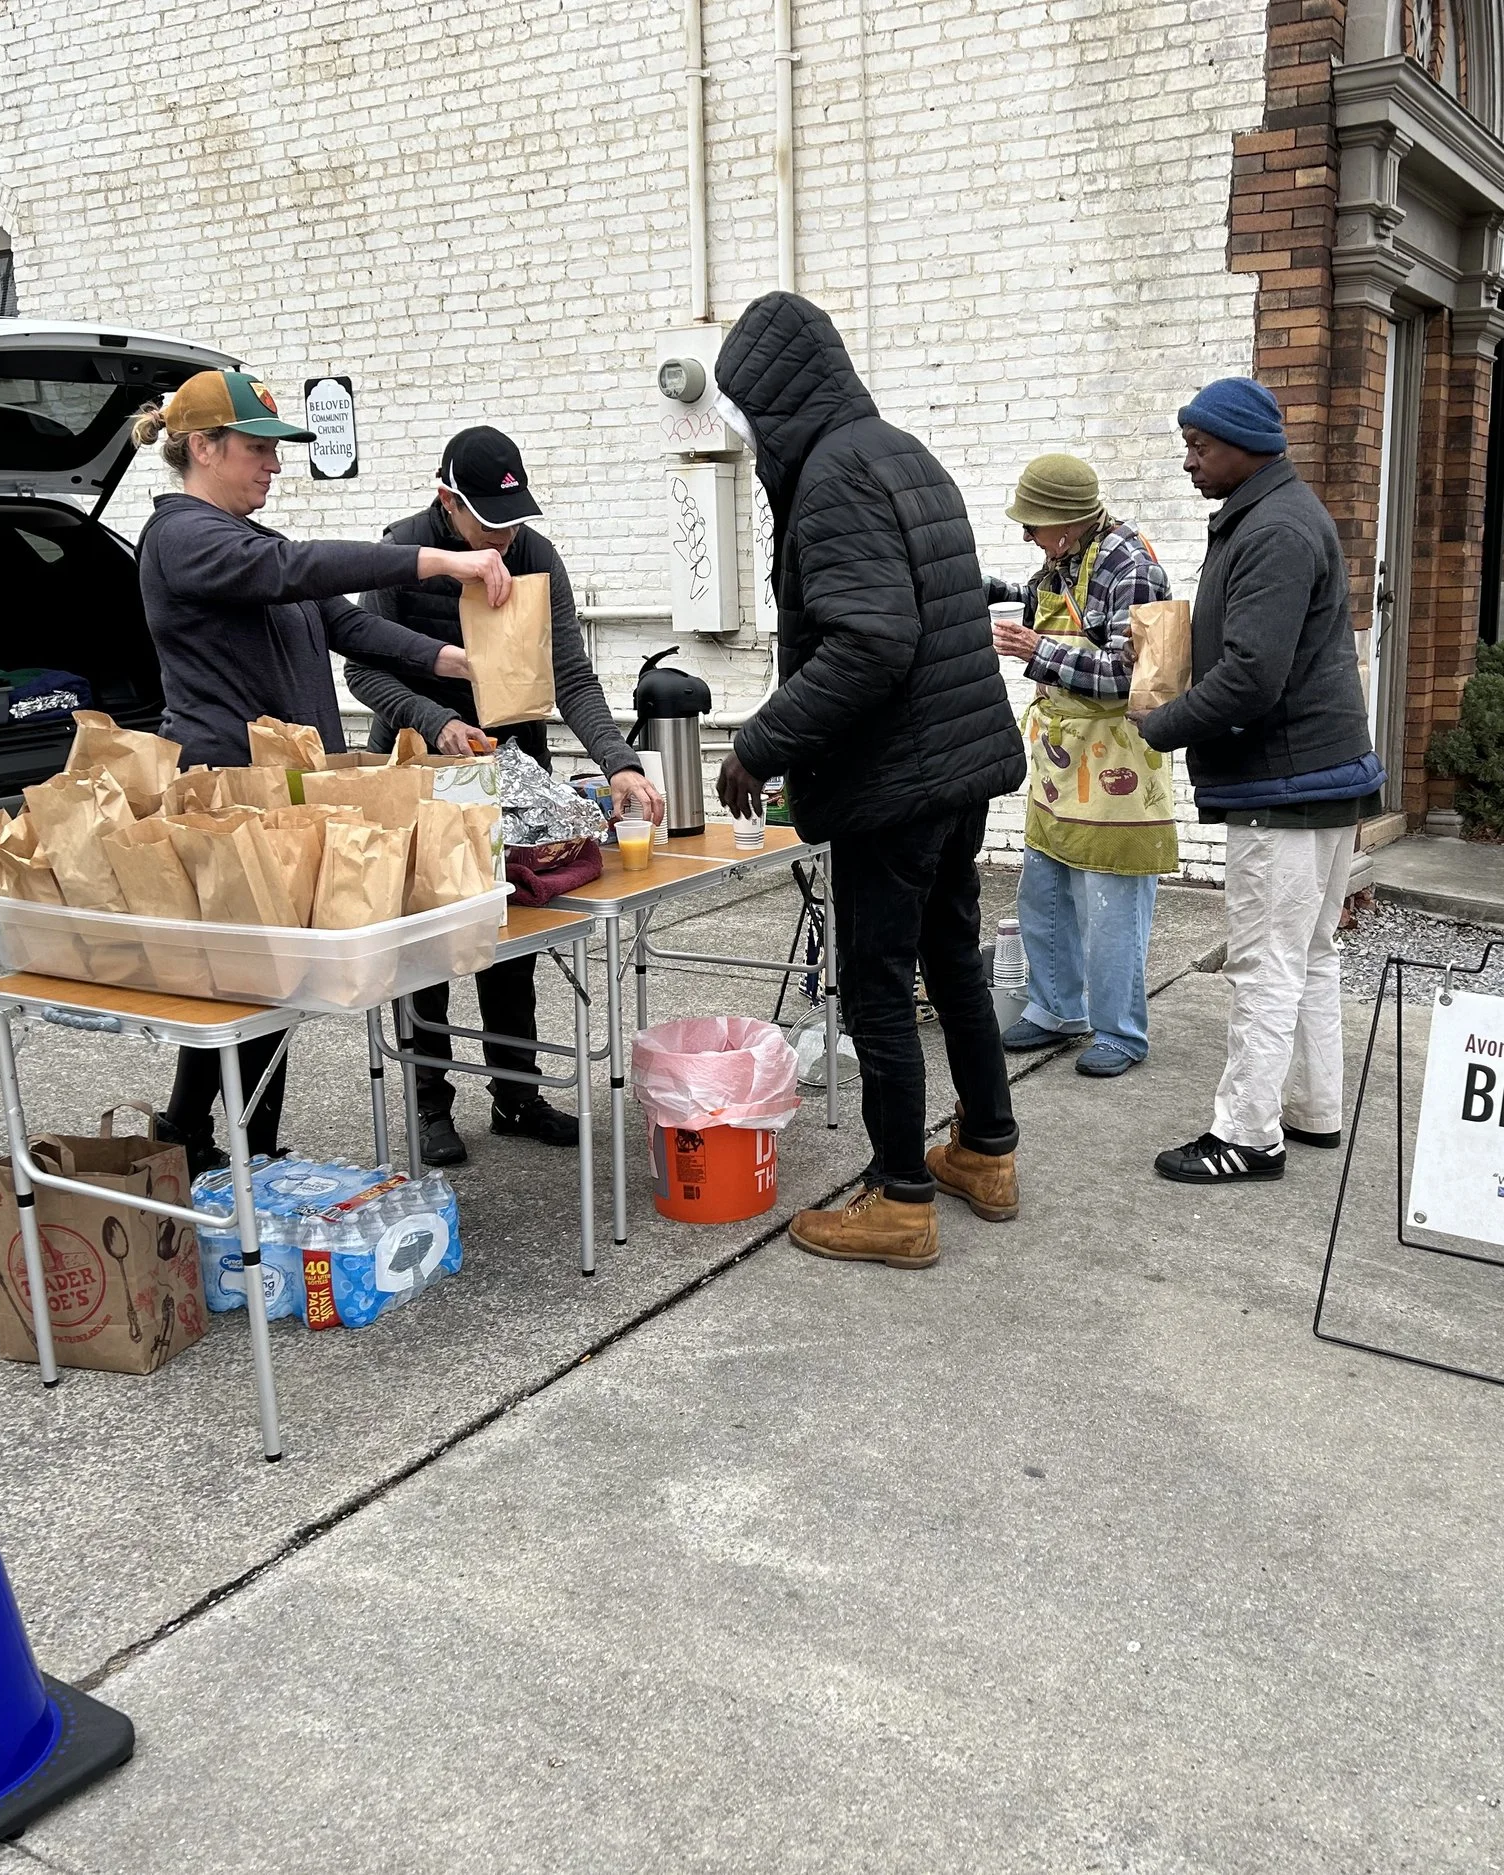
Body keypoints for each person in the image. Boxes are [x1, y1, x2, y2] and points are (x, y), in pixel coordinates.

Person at [710, 293, 1026, 1269]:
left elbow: (869, 643)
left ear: (776, 400)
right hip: (955, 763)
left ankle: (899, 1200)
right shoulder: (897, 451)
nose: (746, 435)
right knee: (953, 959)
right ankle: (986, 1151)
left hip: (898, 778)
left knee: (877, 985)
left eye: (746, 413)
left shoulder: (834, 477)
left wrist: (758, 745)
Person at [130, 369, 511, 1173]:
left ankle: (205, 1144)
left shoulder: (247, 539)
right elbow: (299, 571)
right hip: (231, 794)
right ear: (203, 447)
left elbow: (343, 622)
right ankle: (228, 1155)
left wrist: (461, 660)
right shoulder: (181, 537)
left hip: (281, 794)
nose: (273, 465)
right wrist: (440, 561)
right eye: (258, 449)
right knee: (252, 987)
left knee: (260, 990)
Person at [344, 426, 662, 1164]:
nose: (504, 534)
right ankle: (430, 1105)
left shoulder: (535, 557)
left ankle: (516, 1095)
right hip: (423, 764)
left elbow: (571, 677)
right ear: (445, 500)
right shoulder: (400, 556)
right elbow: (363, 674)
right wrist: (437, 718)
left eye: (512, 516)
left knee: (511, 935)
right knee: (429, 943)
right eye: (487, 519)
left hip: (516, 761)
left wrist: (617, 763)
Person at [1137, 377, 1382, 1185]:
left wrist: (1159, 726)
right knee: (1308, 954)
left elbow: (1251, 678)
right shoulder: (1280, 513)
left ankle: (1247, 1134)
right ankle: (1312, 1111)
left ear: (1246, 446)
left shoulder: (1273, 528)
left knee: (1266, 962)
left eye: (1200, 446)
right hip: (1321, 777)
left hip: (1288, 785)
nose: (1189, 461)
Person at [984, 453, 1175, 1078]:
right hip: (1063, 762)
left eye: (1032, 526)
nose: (1026, 537)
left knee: (1112, 908)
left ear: (1064, 524)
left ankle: (1120, 1031)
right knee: (1044, 892)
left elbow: (1131, 675)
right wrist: (990, 590)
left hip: (1118, 764)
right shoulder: (1067, 560)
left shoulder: (1134, 569)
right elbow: (1045, 596)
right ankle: (1056, 1007)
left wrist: (1038, 651)